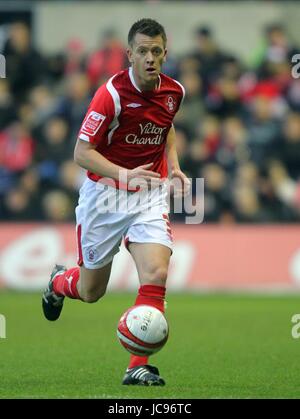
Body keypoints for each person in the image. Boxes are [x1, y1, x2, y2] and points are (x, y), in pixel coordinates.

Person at [42, 18, 190, 386]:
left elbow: (166, 125)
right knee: (91, 291)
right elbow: (81, 152)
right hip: (105, 196)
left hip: (149, 192)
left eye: (156, 51)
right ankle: (59, 282)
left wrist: (174, 165)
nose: (150, 58)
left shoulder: (174, 91)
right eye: (142, 51)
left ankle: (137, 365)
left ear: (164, 53)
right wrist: (123, 175)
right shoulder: (110, 94)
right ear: (130, 54)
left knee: (156, 273)